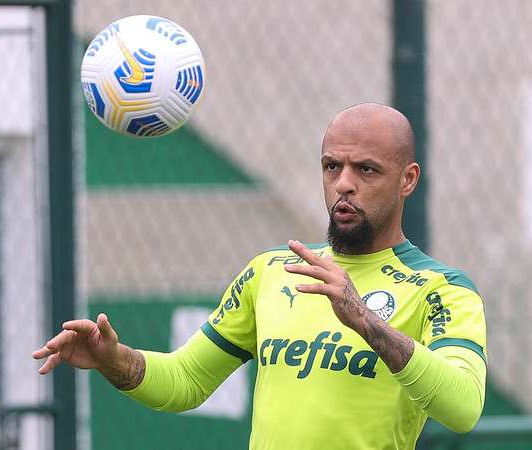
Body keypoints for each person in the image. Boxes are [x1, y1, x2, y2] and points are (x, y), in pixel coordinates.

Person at [33, 103, 487, 449]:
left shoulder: (441, 289)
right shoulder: (271, 272)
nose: (344, 184)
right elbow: (187, 380)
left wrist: (366, 320)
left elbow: (463, 407)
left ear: (407, 180)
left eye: (366, 169)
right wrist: (116, 361)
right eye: (333, 167)